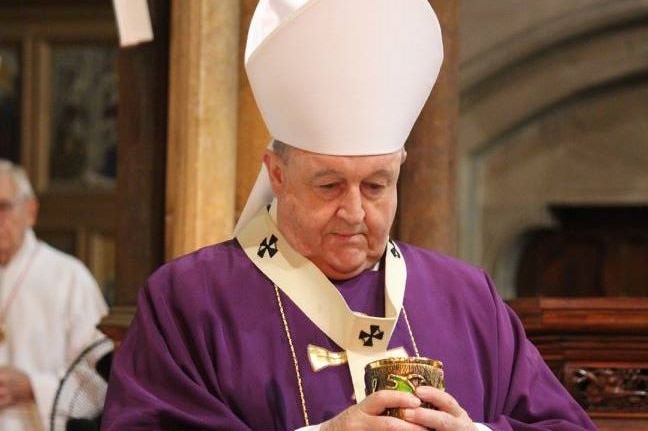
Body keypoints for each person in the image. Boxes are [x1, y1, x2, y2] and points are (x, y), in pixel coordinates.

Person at [101, 1, 598, 430]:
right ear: (277, 173)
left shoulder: (468, 301)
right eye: (329, 185)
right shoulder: (190, 302)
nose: (355, 211)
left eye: (377, 186)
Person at [0, 159, 108, 430]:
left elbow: (100, 379)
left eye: (3, 207)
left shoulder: (69, 278)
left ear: (31, 212)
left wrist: (32, 386)